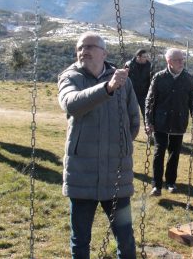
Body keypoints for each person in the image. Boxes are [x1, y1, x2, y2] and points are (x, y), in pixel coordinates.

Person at [58, 32, 140, 259]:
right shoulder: (70, 77)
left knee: (125, 236)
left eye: (90, 46)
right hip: (82, 175)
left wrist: (121, 144)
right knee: (80, 239)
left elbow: (134, 119)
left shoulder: (123, 80)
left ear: (104, 53)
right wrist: (107, 88)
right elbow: (71, 104)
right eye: (80, 47)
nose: (83, 50)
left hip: (117, 176)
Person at [146, 48, 193, 196]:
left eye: (182, 59)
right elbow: (149, 101)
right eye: (177, 60)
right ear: (169, 61)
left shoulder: (188, 78)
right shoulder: (159, 77)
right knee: (159, 153)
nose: (181, 62)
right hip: (160, 122)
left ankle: (171, 182)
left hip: (179, 121)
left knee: (174, 154)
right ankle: (156, 185)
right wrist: (148, 121)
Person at [125, 48, 152, 118]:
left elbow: (150, 79)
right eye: (144, 57)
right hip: (132, 93)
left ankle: (148, 128)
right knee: (132, 114)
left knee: (147, 114)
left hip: (144, 94)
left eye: (146, 56)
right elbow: (125, 79)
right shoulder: (129, 65)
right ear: (138, 57)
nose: (146, 58)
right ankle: (131, 128)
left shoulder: (148, 65)